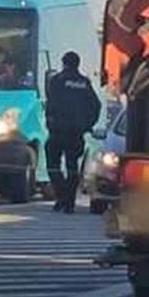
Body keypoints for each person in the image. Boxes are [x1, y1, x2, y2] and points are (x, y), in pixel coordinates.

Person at [46, 50, 101, 213]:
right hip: (76, 133)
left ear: (64, 63)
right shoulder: (84, 83)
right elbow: (95, 105)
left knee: (52, 166)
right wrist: (87, 125)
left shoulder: (57, 80)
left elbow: (51, 104)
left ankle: (62, 196)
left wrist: (50, 122)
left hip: (58, 131)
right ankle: (69, 202)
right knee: (72, 166)